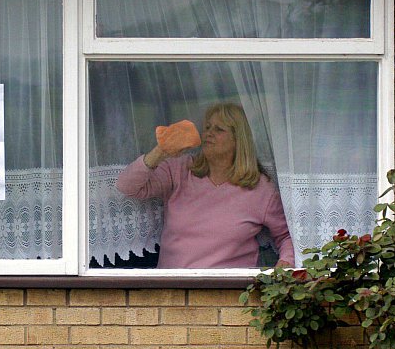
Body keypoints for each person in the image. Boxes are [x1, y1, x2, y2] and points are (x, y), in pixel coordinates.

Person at [116, 102, 294, 269]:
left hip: (229, 288)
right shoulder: (180, 169)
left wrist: (285, 265)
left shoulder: (260, 189)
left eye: (219, 129)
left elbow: (286, 236)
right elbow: (127, 187)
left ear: (238, 140)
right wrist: (160, 151)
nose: (208, 133)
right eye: (207, 127)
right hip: (172, 286)